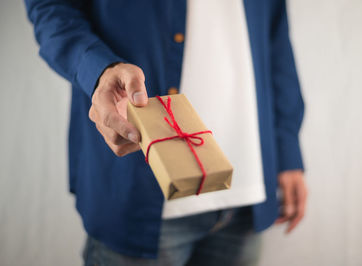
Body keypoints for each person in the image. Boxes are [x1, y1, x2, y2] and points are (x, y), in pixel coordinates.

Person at [24, 0, 308, 265]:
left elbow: (276, 39)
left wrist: (287, 151)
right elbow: (52, 7)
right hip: (137, 190)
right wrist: (98, 69)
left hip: (248, 191)